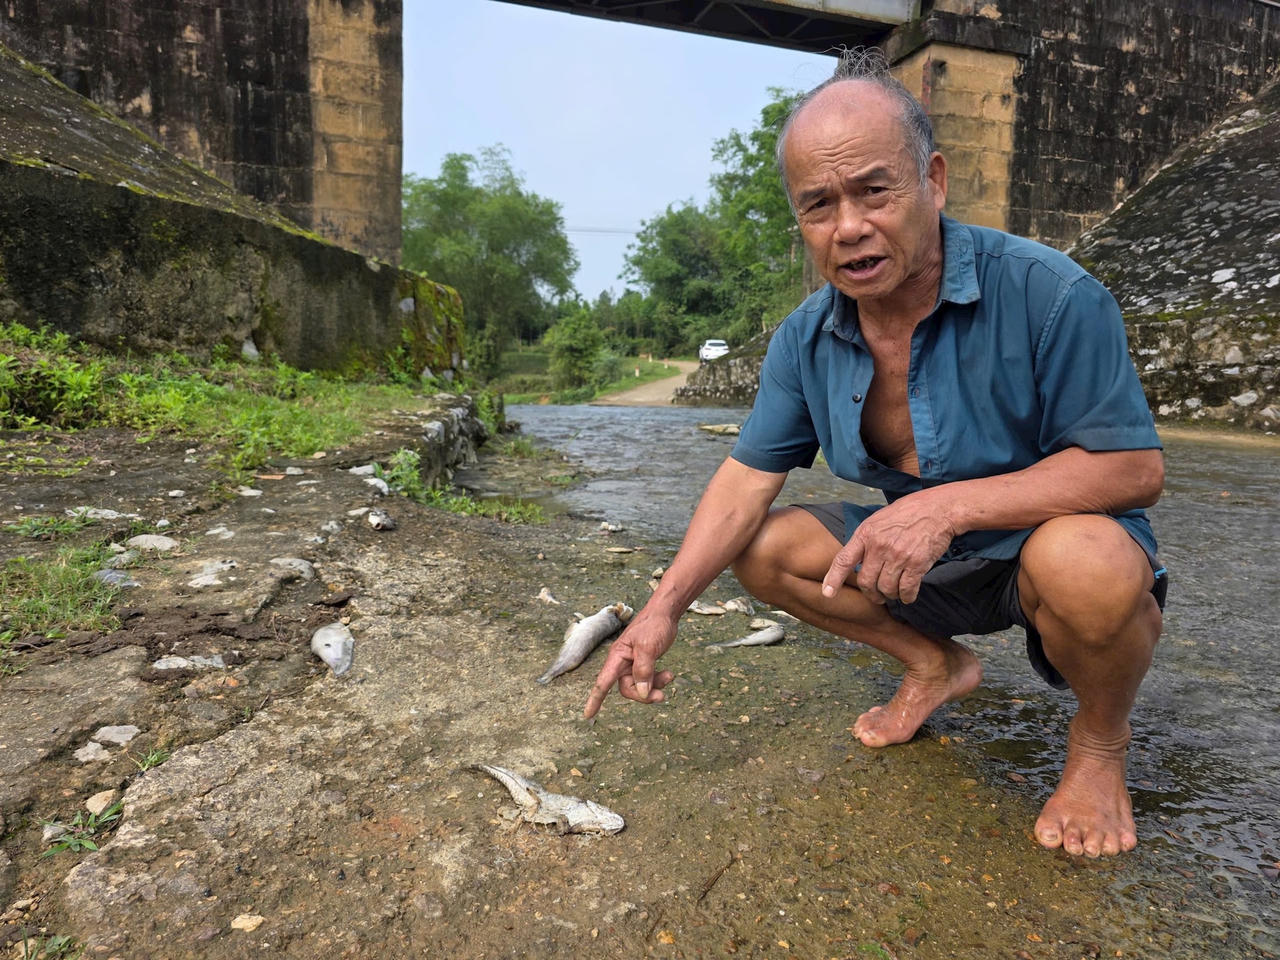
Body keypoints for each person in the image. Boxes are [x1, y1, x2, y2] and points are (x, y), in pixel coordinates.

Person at [583, 49, 1167, 859]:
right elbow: (743, 481)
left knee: (1089, 562)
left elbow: (1134, 469)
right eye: (818, 205)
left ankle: (1101, 745)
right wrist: (660, 609)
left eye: (874, 190)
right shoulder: (806, 338)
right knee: (762, 546)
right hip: (922, 568)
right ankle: (935, 666)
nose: (848, 226)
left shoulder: (1051, 294)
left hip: (1045, 546)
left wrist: (944, 506)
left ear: (933, 179)